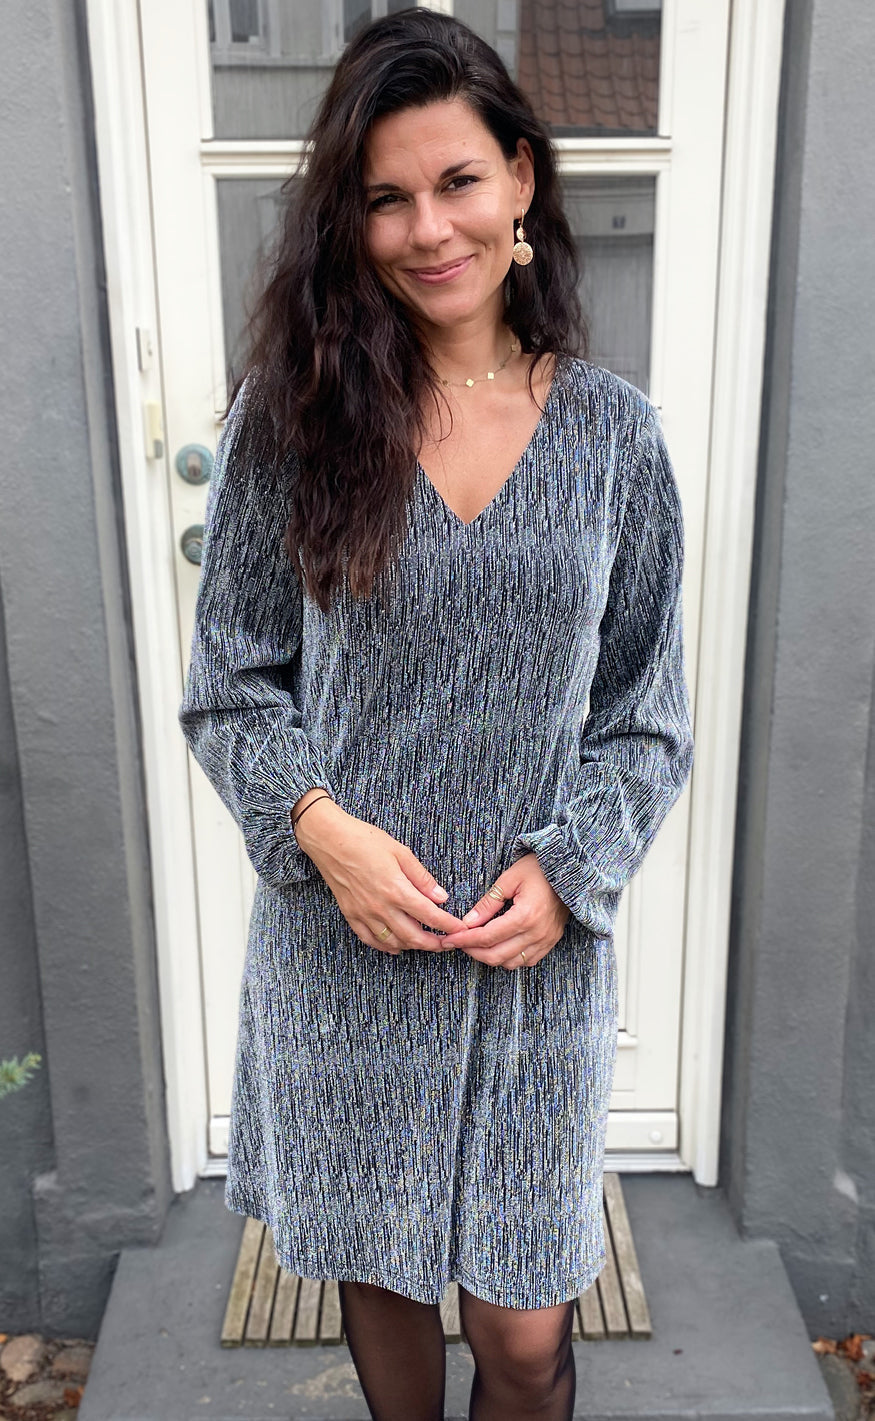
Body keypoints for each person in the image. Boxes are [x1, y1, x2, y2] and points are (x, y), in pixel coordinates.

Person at [179, 8, 694, 1419]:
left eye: (457, 180)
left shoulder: (614, 437)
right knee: (386, 1297)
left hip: (533, 960)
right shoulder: (294, 420)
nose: (427, 229)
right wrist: (318, 828)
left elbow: (647, 713)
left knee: (522, 1336)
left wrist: (572, 868)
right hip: (347, 950)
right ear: (351, 222)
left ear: (520, 177)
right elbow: (230, 684)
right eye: (385, 198)